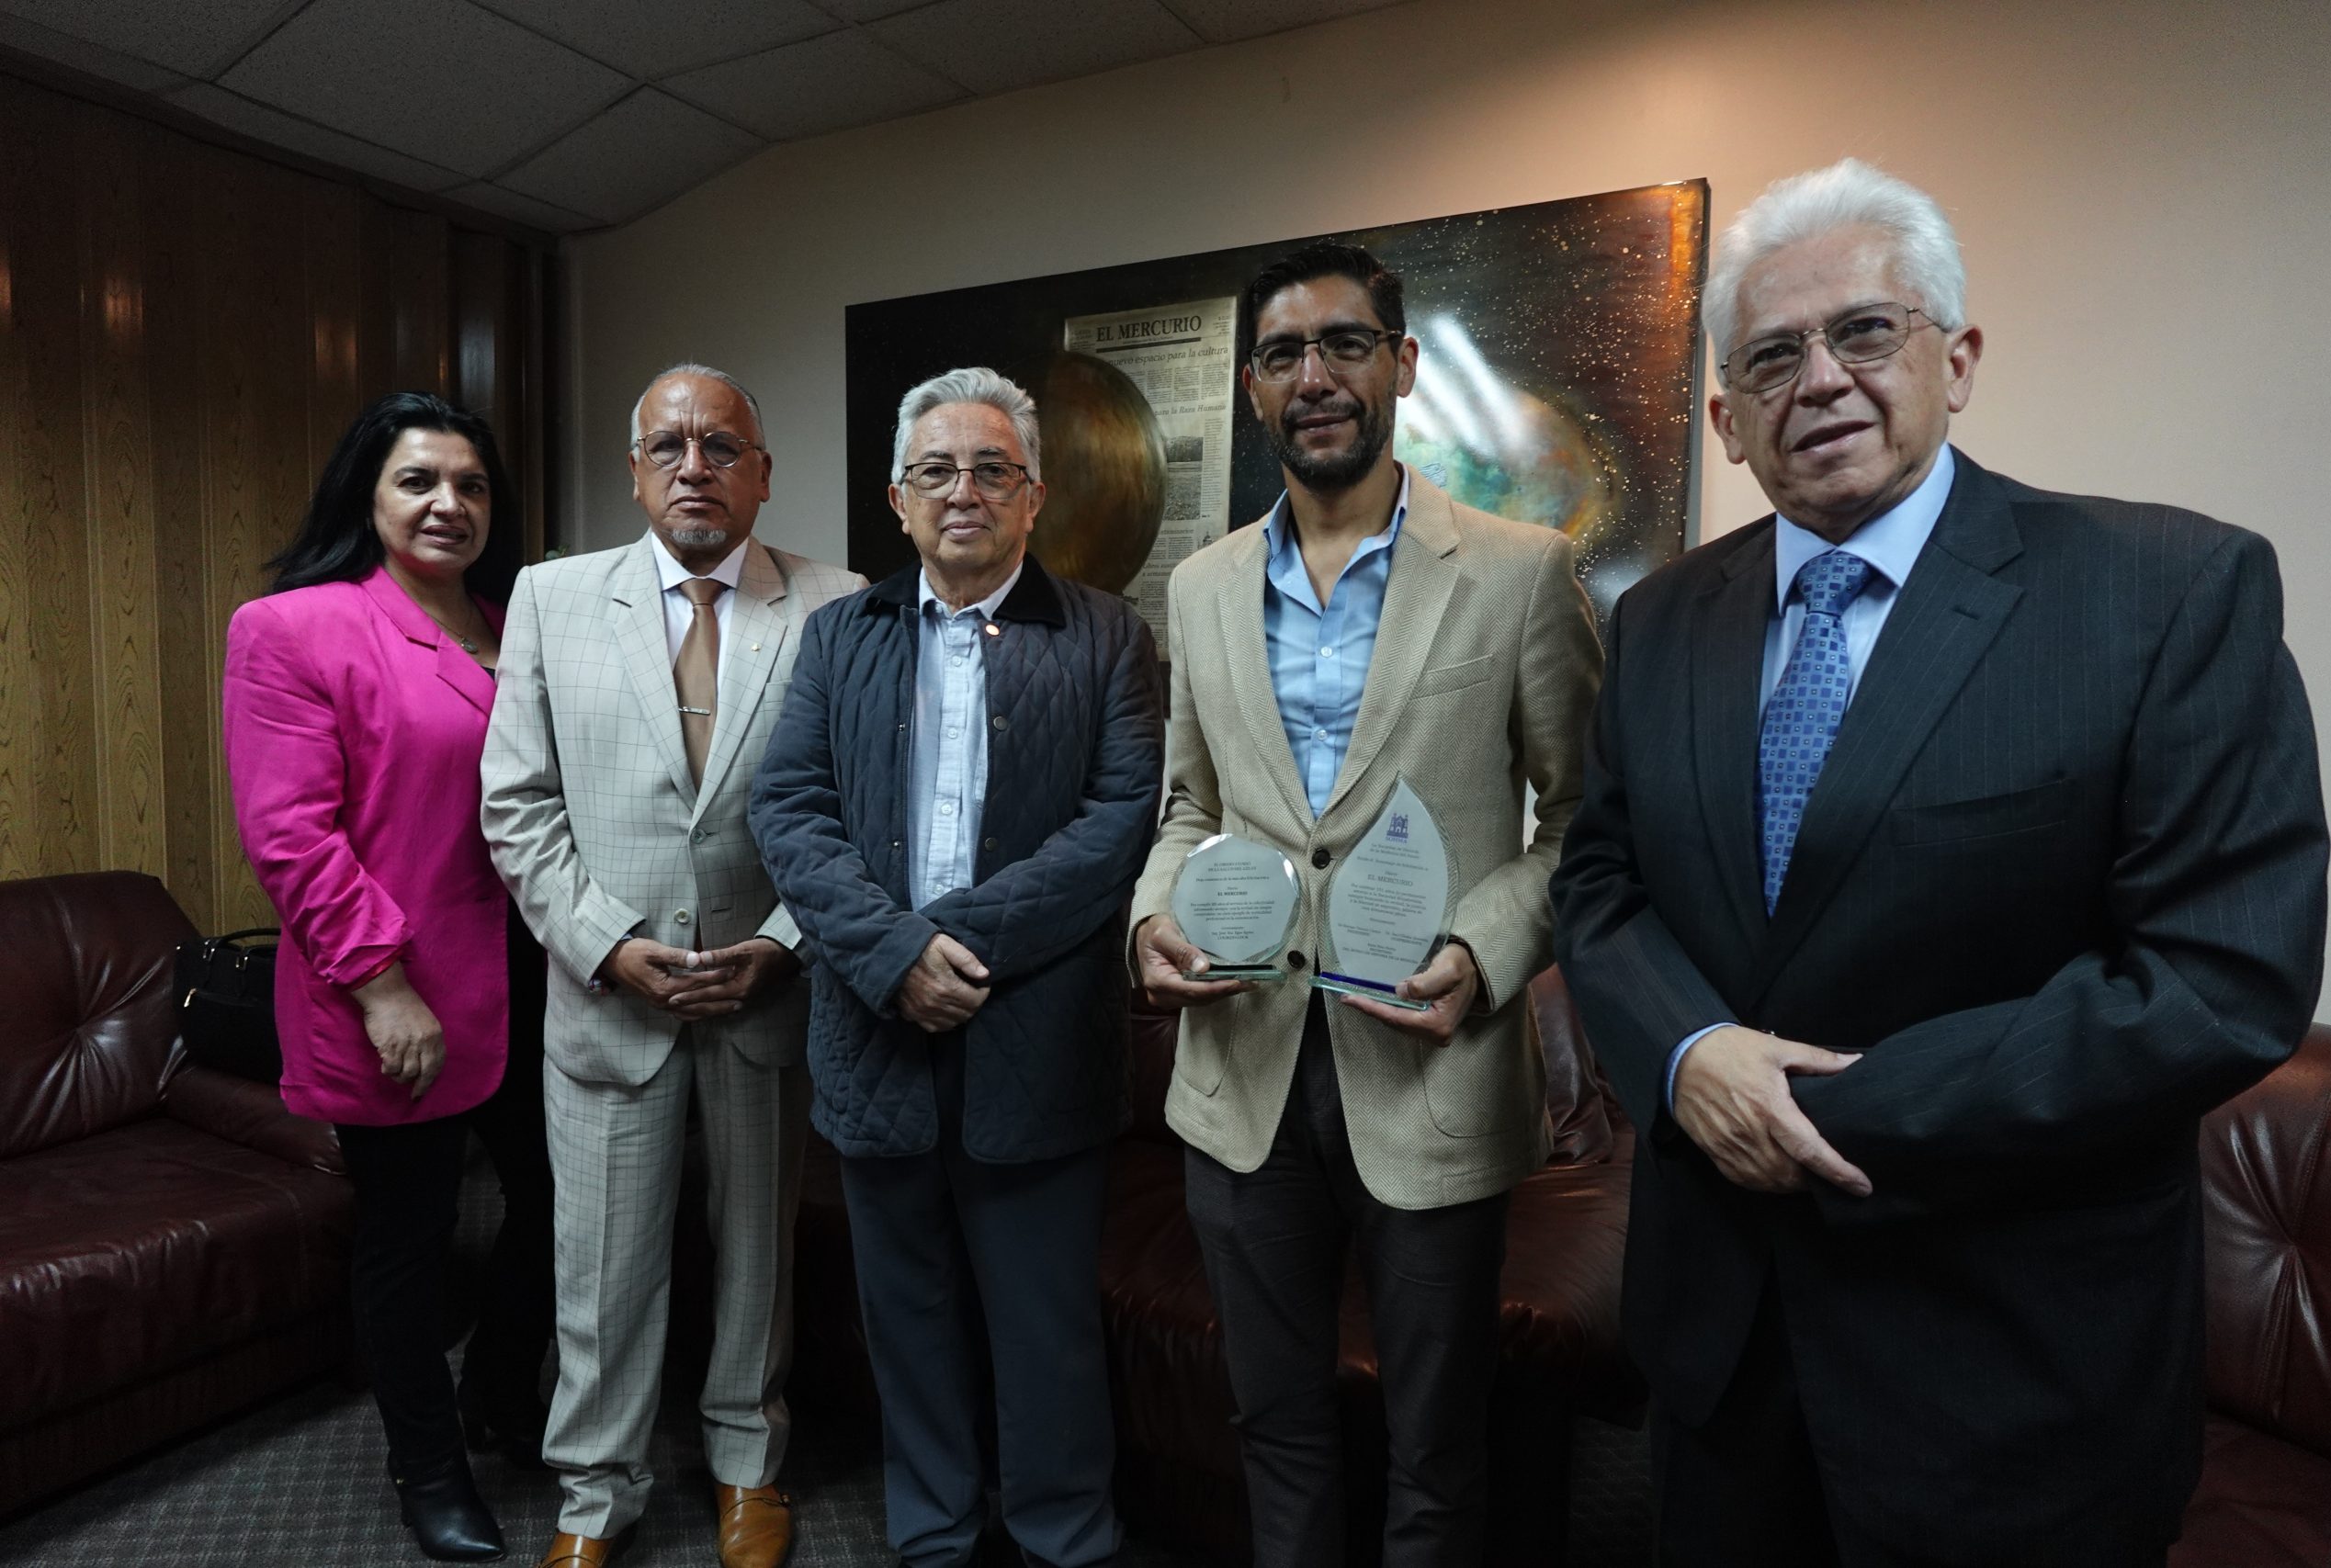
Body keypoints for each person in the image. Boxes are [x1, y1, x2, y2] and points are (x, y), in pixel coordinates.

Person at [1551, 159, 2330, 1567]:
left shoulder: (2165, 591)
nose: (1821, 379)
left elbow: (2219, 976)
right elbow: (1600, 882)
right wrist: (1687, 1054)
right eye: (1772, 355)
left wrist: (1814, 1105)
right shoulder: (1660, 619)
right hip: (1720, 1357)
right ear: (1727, 418)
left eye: (1866, 330)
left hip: (2009, 1370)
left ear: (1957, 361)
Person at [1128, 243, 1601, 1566]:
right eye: (1284, 354)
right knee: (1272, 1421)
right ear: (1253, 387)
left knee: (1436, 1445)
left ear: (1401, 363)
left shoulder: (1518, 570)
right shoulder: (1201, 587)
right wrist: (1151, 920)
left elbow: (1584, 823)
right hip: (1241, 1072)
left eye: (1345, 344)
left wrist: (1485, 949)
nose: (1315, 376)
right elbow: (1187, 808)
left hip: (1431, 1069)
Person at [750, 366, 1161, 1568]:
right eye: (935, 470)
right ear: (898, 497)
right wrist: (894, 955)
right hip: (875, 1037)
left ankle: (1062, 1535)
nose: (962, 490)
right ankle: (932, 1535)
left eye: (991, 468)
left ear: (1035, 495)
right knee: (906, 1317)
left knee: (1045, 1326)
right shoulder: (840, 637)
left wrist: (956, 944)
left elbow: (1118, 825)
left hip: (1036, 1039)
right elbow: (790, 810)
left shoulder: (1107, 636)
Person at [481, 364, 864, 1568]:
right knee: (600, 1264)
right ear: (636, 469)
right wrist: (606, 943)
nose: (694, 466)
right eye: (669, 446)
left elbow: (859, 813)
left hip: (765, 994)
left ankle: (749, 1461)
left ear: (763, 471)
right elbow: (516, 805)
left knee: (758, 1252)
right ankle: (595, 1489)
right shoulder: (549, 598)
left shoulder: (838, 604)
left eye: (721, 445)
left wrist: (783, 946)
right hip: (610, 997)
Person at [223, 390, 556, 1562]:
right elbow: (290, 836)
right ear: (365, 496)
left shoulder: (517, 622)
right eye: (418, 480)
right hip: (390, 985)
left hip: (532, 974)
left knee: (558, 1202)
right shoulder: (293, 627)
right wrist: (380, 985)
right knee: (410, 1236)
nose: (447, 503)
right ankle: (427, 1465)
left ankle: (500, 1389)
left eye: (470, 484)